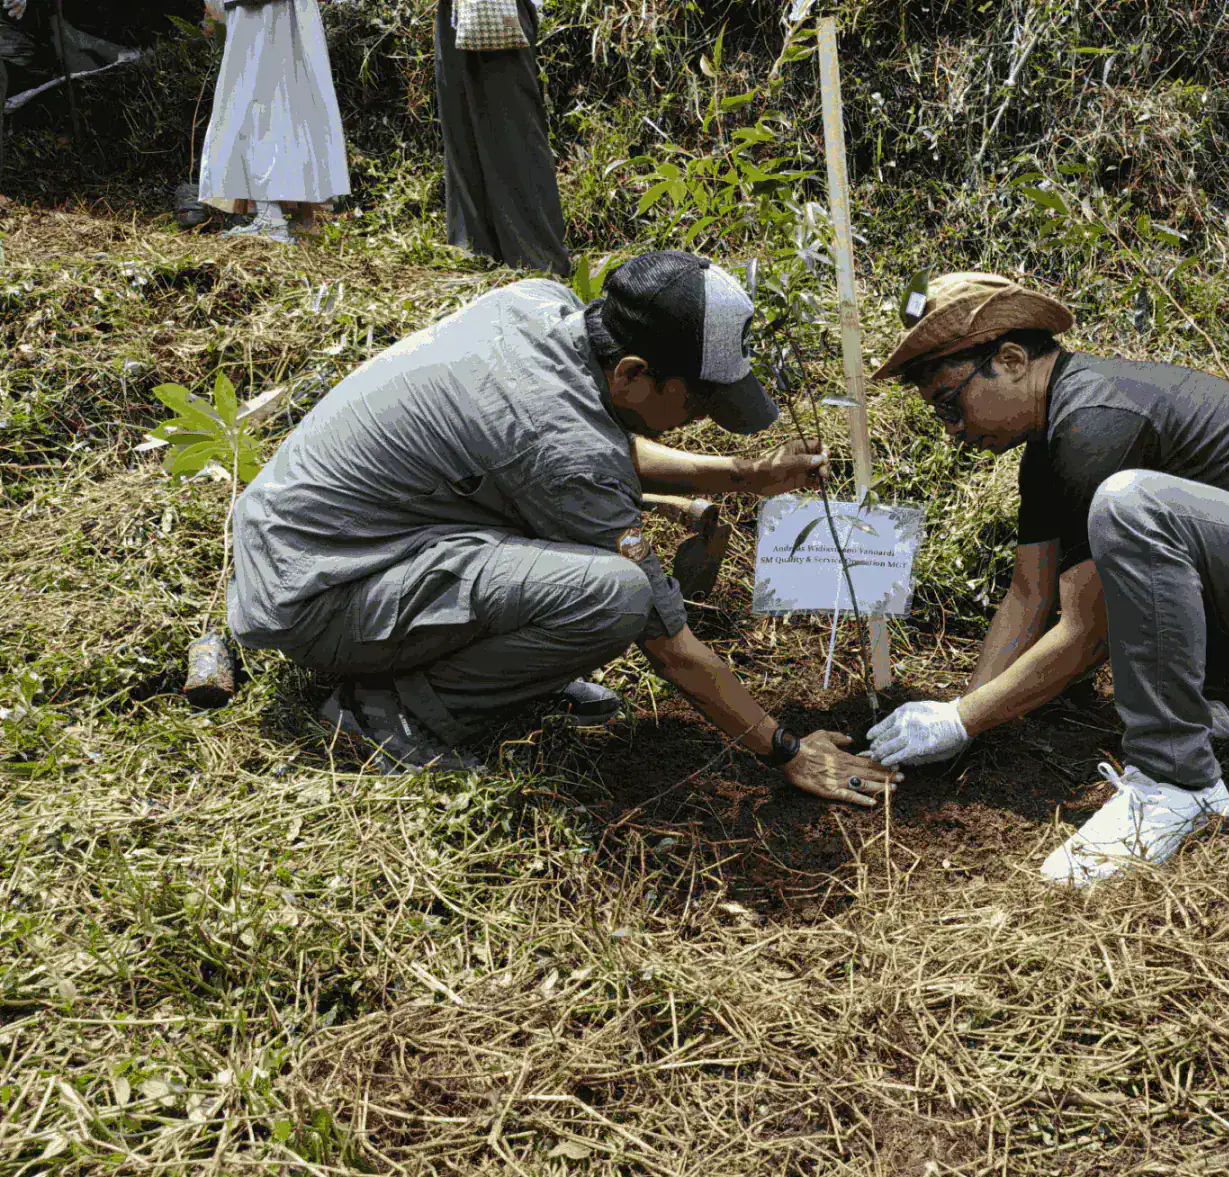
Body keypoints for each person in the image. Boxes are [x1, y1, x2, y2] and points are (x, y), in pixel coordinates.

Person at [227, 250, 900, 808]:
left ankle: (499, 672)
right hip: (321, 593)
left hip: (317, 543)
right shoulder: (560, 445)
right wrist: (785, 746)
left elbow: (588, 445)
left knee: (586, 571)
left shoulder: (539, 309)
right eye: (695, 401)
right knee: (614, 597)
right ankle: (389, 715)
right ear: (634, 374)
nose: (696, 418)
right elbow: (671, 647)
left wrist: (743, 475)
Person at [864, 273, 1229, 885]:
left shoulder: (1093, 421)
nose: (952, 428)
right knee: (1139, 527)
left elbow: (1087, 631)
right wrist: (960, 714)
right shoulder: (1050, 445)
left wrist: (963, 721)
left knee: (1132, 506)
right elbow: (1030, 593)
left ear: (1012, 359)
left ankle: (1177, 781)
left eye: (951, 402)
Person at [198, 0, 350, 244]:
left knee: (256, 102)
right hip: (283, 13)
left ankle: (272, 219)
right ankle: (304, 218)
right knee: (293, 98)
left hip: (260, 14)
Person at [434, 0, 568, 274]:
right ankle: (478, 251)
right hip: (455, 12)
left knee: (513, 131)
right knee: (462, 129)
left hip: (498, 9)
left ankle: (537, 259)